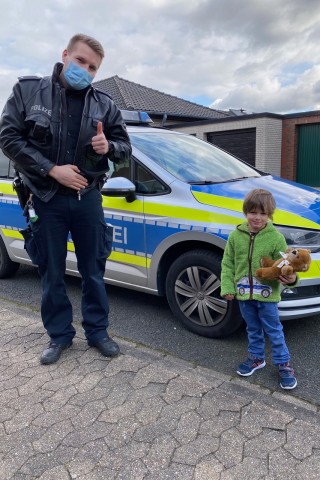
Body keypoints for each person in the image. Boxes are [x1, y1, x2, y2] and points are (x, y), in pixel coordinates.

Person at [0, 33, 132, 365]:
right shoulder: (29, 92)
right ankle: (59, 336)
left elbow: (125, 147)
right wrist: (52, 170)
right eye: (81, 61)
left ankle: (98, 332)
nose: (85, 70)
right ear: (65, 55)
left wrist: (109, 148)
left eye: (92, 67)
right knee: (52, 271)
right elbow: (8, 137)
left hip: (87, 198)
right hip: (44, 197)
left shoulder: (105, 105)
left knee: (93, 270)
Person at [220, 188, 298, 389]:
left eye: (263, 214)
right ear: (246, 212)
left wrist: (290, 278)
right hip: (244, 295)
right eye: (253, 212)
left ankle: (284, 364)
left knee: (274, 331)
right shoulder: (235, 236)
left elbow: (285, 265)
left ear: (269, 215)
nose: (257, 217)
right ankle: (256, 358)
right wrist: (228, 286)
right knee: (253, 329)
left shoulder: (276, 238)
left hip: (268, 296)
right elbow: (228, 264)